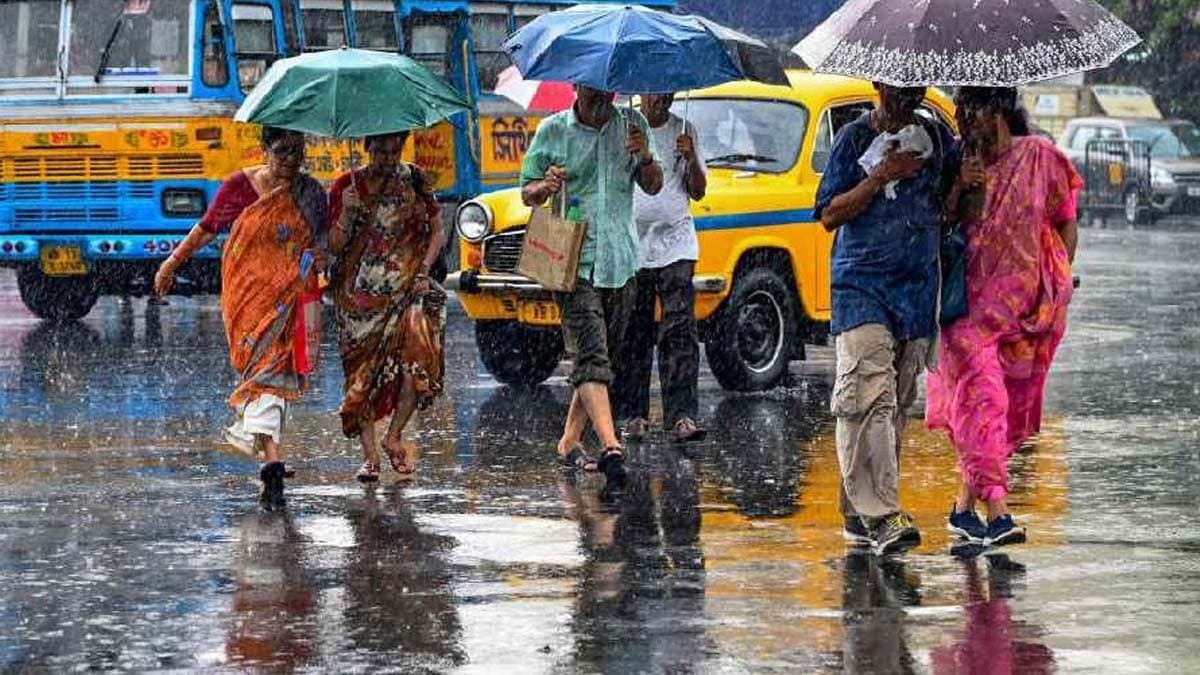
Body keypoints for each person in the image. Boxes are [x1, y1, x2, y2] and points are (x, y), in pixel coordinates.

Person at [926, 87, 1081, 547]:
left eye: (973, 109)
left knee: (998, 416)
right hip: (966, 312)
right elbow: (938, 225)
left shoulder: (1040, 157)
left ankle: (961, 509)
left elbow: (1064, 218)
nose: (965, 118)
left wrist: (1059, 280)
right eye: (961, 110)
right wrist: (961, 187)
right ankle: (997, 512)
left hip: (1024, 312)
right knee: (986, 400)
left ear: (997, 110)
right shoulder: (955, 162)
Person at [814, 83, 957, 554]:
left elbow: (947, 213)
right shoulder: (854, 139)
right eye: (899, 87)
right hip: (862, 287)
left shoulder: (936, 140)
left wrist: (966, 184)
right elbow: (830, 214)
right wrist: (880, 176)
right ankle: (883, 514)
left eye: (916, 88)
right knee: (865, 396)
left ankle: (859, 510)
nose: (908, 96)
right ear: (879, 85)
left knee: (891, 405)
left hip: (915, 293)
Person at [154, 126, 327, 508]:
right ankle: (272, 456)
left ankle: (273, 460)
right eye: (282, 151)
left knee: (275, 373)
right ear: (264, 149)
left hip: (291, 297)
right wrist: (171, 263)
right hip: (247, 297)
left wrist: (322, 264)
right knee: (264, 374)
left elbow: (322, 242)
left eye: (298, 151)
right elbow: (206, 229)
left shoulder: (311, 193)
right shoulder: (239, 187)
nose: (290, 160)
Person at [520, 85, 664, 486]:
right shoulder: (553, 131)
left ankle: (568, 440)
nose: (600, 96)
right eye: (591, 88)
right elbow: (526, 191)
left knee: (602, 360)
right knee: (590, 355)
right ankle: (611, 445)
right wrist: (544, 186)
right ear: (576, 87)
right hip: (573, 262)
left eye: (606, 88)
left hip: (620, 258)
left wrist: (646, 156)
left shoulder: (633, 125)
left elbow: (653, 185)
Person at [327, 132, 447, 483]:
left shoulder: (415, 179)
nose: (388, 158)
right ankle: (370, 457)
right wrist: (347, 215)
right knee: (362, 379)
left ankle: (394, 435)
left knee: (417, 366)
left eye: (395, 150)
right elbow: (334, 245)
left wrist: (424, 270)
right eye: (380, 150)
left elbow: (438, 230)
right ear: (366, 147)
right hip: (358, 300)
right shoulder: (345, 186)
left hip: (408, 292)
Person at [613, 92, 707, 443]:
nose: (661, 100)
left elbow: (698, 192)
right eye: (654, 93)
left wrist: (691, 158)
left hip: (677, 244)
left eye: (667, 93)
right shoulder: (623, 127)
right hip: (633, 245)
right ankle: (633, 413)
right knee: (633, 331)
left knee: (678, 330)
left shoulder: (685, 130)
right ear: (642, 94)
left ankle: (682, 415)